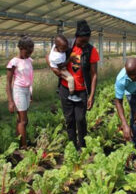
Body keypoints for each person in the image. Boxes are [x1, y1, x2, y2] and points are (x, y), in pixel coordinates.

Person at [47, 20, 99, 150]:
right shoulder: (66, 46)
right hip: (65, 88)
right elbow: (49, 57)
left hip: (82, 90)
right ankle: (72, 145)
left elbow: (94, 74)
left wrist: (91, 95)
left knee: (81, 119)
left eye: (86, 41)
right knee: (69, 119)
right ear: (76, 37)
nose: (83, 44)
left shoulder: (91, 51)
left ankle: (82, 145)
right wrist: (54, 69)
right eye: (81, 41)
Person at [6, 36, 35, 149]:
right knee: (23, 120)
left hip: (27, 90)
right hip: (19, 91)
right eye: (27, 52)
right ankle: (24, 147)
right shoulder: (14, 62)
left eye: (31, 52)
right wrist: (10, 101)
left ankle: (19, 143)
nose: (29, 54)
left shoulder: (29, 60)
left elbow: (30, 78)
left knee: (22, 120)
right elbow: (8, 83)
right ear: (21, 48)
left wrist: (31, 92)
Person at [48, 34, 82, 102]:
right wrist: (69, 60)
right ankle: (71, 94)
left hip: (62, 64)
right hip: (60, 68)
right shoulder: (56, 56)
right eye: (63, 48)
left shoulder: (61, 46)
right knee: (70, 79)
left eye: (66, 47)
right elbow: (61, 66)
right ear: (57, 47)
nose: (66, 49)